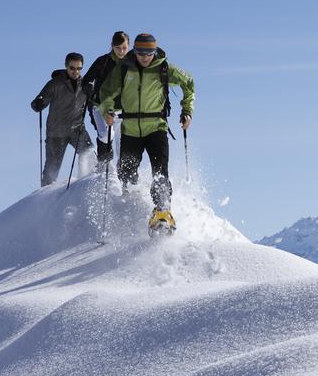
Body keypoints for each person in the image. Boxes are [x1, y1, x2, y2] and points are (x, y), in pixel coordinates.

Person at [97, 33, 195, 231]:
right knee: (126, 172)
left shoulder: (163, 67)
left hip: (156, 128)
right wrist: (107, 110)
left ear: (154, 51)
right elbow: (106, 92)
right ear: (135, 50)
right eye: (140, 52)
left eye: (149, 52)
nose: (144, 56)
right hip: (131, 129)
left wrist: (187, 111)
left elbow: (189, 83)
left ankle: (162, 212)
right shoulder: (124, 67)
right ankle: (130, 206)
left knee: (160, 171)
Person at [31, 53, 94, 186]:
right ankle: (44, 197)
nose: (75, 71)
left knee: (89, 155)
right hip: (56, 132)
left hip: (77, 129)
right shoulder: (55, 84)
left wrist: (92, 93)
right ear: (66, 66)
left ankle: (85, 184)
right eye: (72, 68)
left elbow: (95, 105)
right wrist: (38, 104)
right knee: (51, 168)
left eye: (79, 68)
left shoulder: (85, 84)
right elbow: (38, 101)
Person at [82, 31, 130, 163]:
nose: (121, 51)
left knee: (123, 146)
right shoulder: (103, 61)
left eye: (124, 48)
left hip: (123, 111)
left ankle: (125, 178)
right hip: (100, 107)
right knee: (105, 136)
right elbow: (86, 79)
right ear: (112, 46)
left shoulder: (132, 64)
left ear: (129, 46)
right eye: (118, 48)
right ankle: (103, 168)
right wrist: (88, 87)